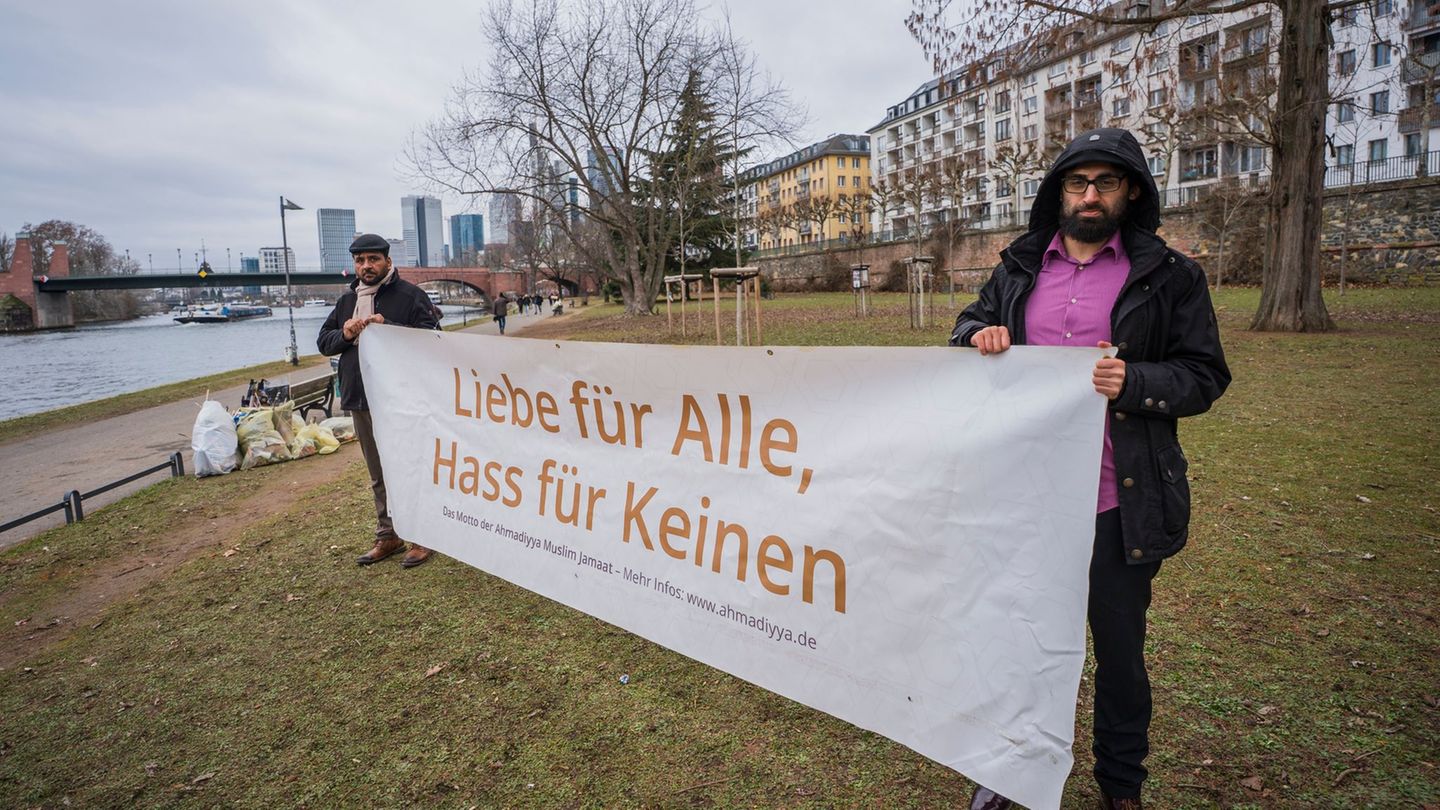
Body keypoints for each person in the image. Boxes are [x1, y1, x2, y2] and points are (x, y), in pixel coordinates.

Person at [952, 128, 1230, 810]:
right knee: (1018, 641)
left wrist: (1132, 382)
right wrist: (975, 337)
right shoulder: (1019, 267)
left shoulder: (1169, 275)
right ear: (1059, 191)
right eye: (1078, 183)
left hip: (1118, 499)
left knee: (1119, 654)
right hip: (1023, 495)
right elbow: (967, 328)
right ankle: (1011, 770)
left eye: (1106, 182)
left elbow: (1204, 375)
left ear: (1131, 190)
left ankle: (1120, 785)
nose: (1090, 195)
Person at [318, 233, 441, 569]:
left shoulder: (410, 295)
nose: (366, 266)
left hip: (401, 398)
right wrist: (345, 334)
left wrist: (390, 327)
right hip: (360, 397)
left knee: (410, 466)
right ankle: (388, 534)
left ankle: (422, 535)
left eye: (373, 259)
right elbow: (324, 343)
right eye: (360, 260)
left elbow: (433, 338)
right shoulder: (346, 302)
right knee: (378, 471)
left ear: (387, 261)